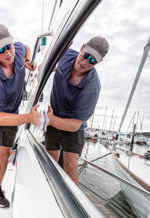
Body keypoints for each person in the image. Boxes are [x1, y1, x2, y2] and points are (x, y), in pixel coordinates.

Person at [0, 23, 41, 218]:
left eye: (9, 46)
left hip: (12, 114)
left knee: (6, 156)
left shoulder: (18, 48)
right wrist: (29, 117)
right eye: (1, 49)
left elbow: (26, 46)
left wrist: (27, 61)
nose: (8, 52)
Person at [45, 36, 109, 185]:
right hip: (54, 118)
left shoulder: (92, 87)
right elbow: (51, 58)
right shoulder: (66, 54)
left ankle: (72, 200)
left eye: (92, 61)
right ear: (81, 48)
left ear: (98, 62)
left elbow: (75, 125)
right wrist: (47, 68)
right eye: (86, 56)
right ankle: (48, 187)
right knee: (50, 159)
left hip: (73, 125)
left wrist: (49, 119)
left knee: (71, 165)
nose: (85, 62)